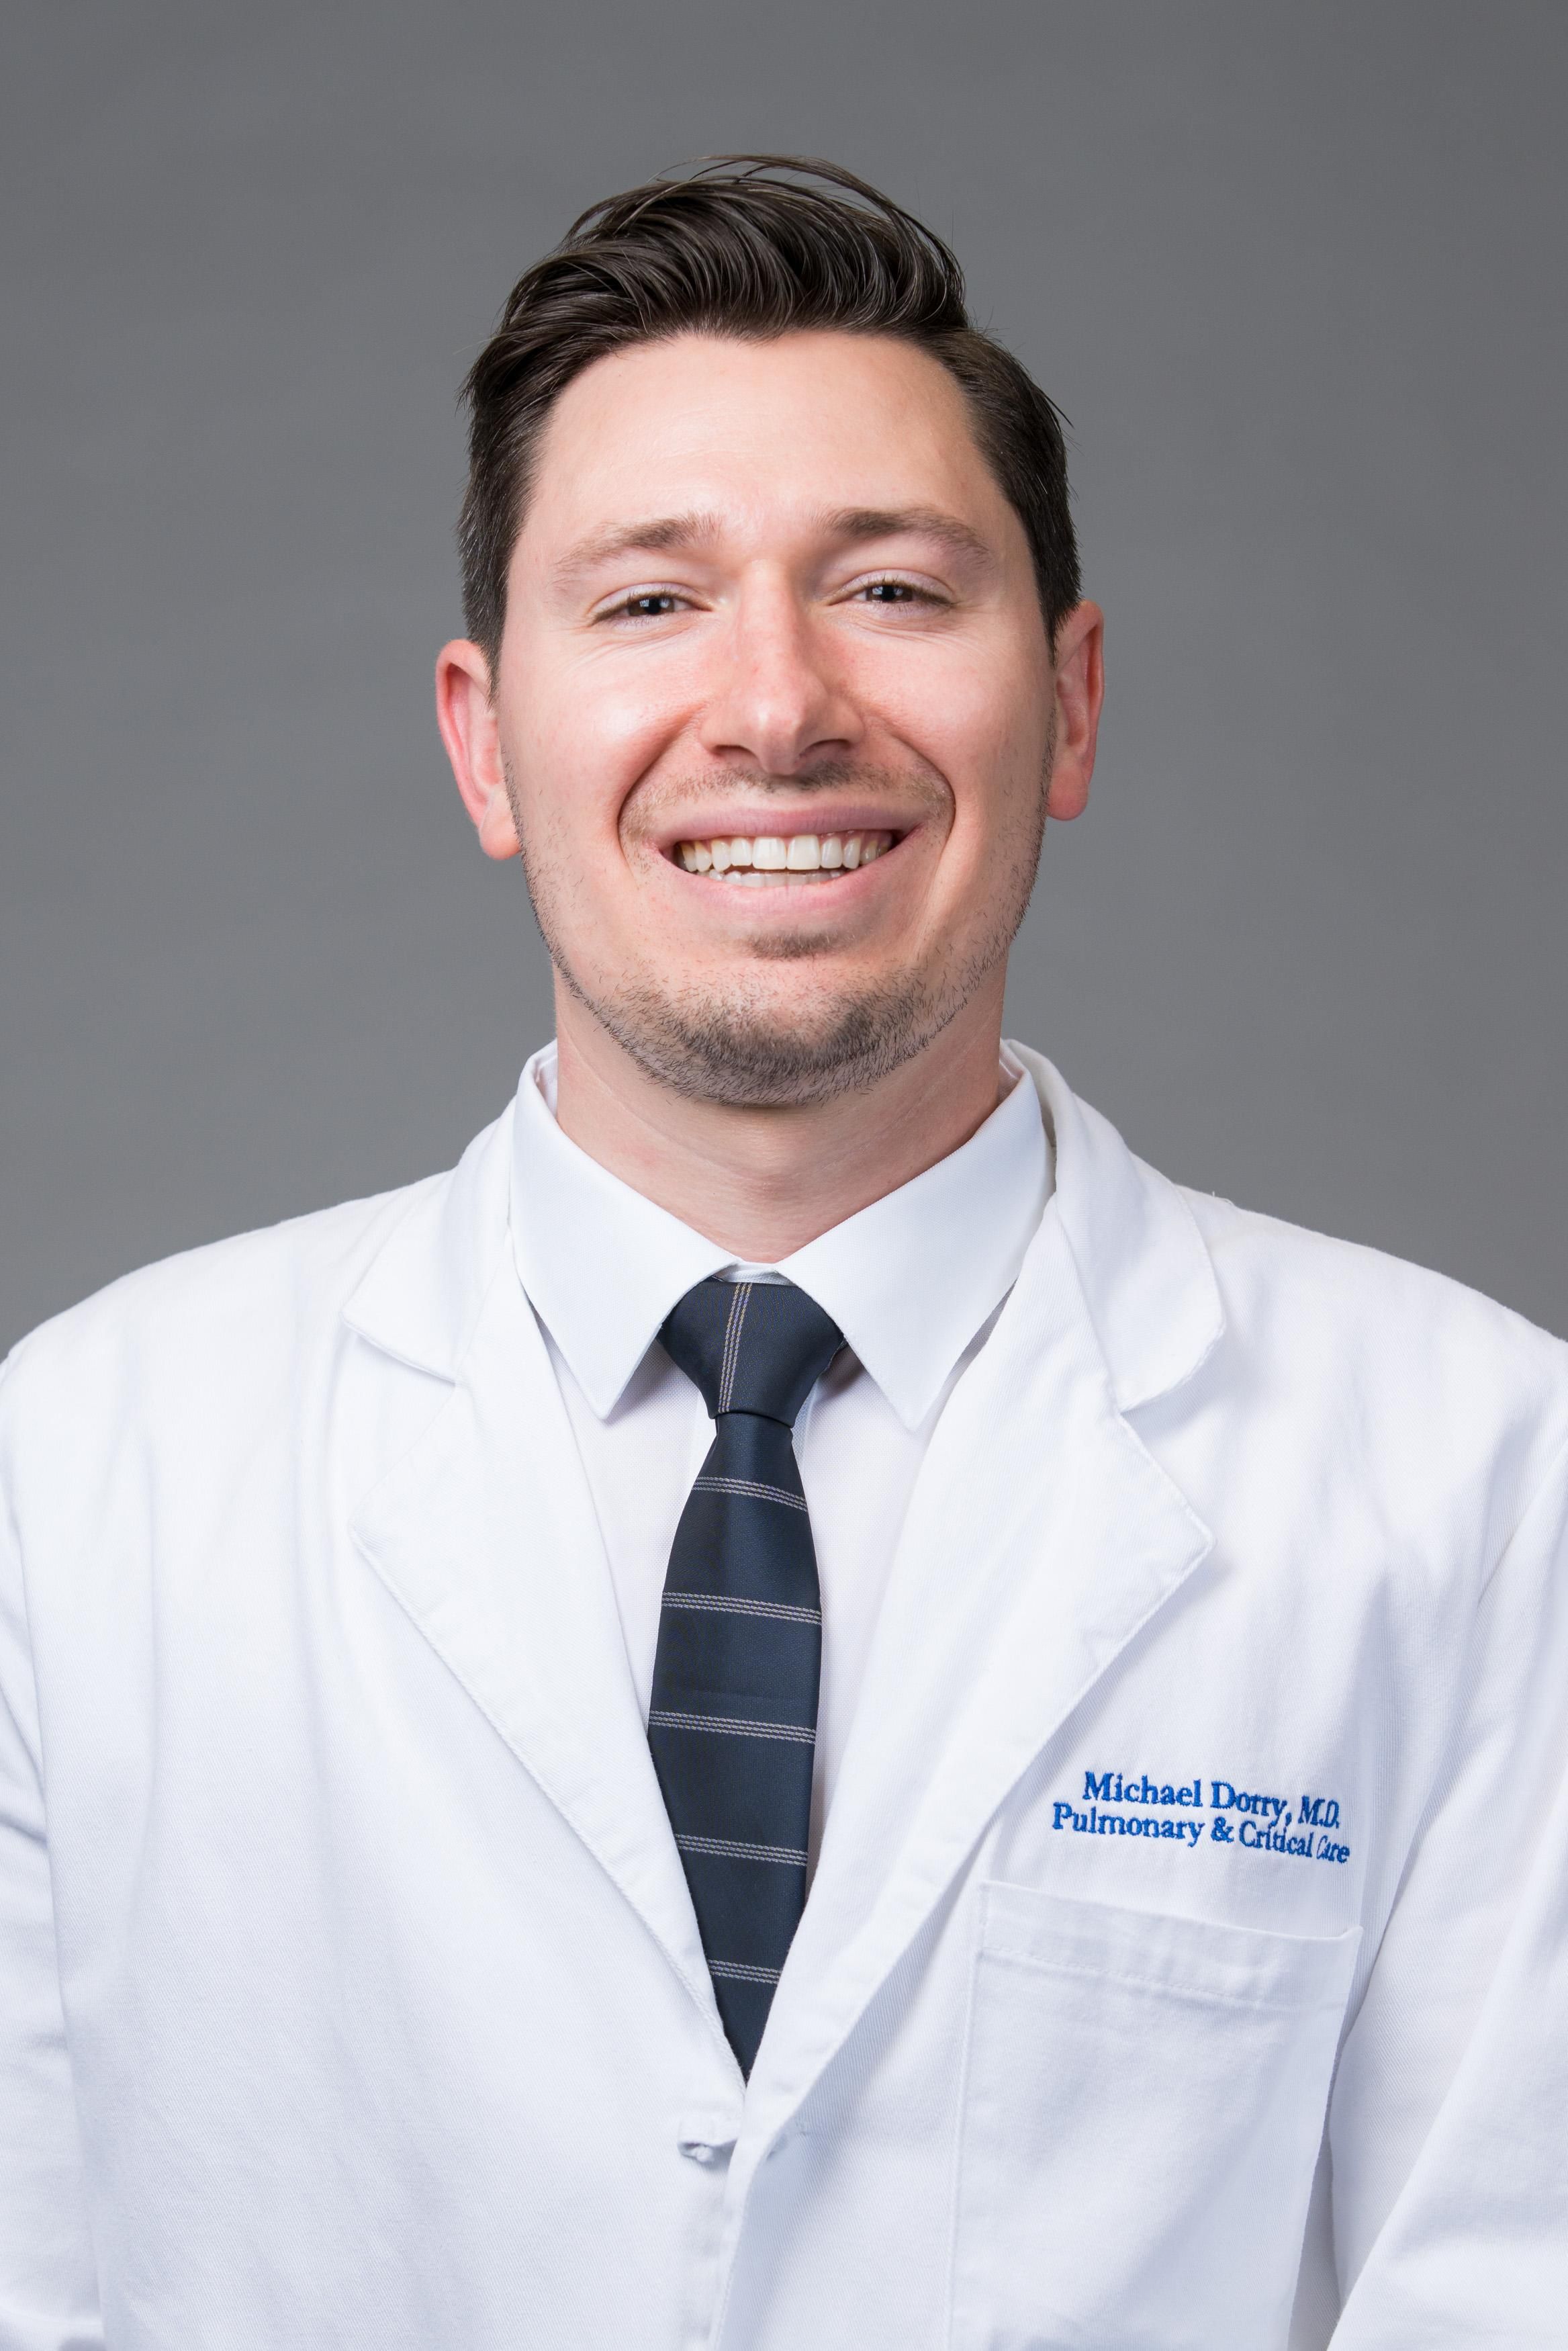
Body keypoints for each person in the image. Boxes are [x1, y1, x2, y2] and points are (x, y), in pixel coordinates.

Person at [1, 157, 1563, 2351]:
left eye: (894, 587)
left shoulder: (1479, 1478)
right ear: (483, 741)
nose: (775, 706)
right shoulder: (80, 1474)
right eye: (651, 599)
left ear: (1072, 700)